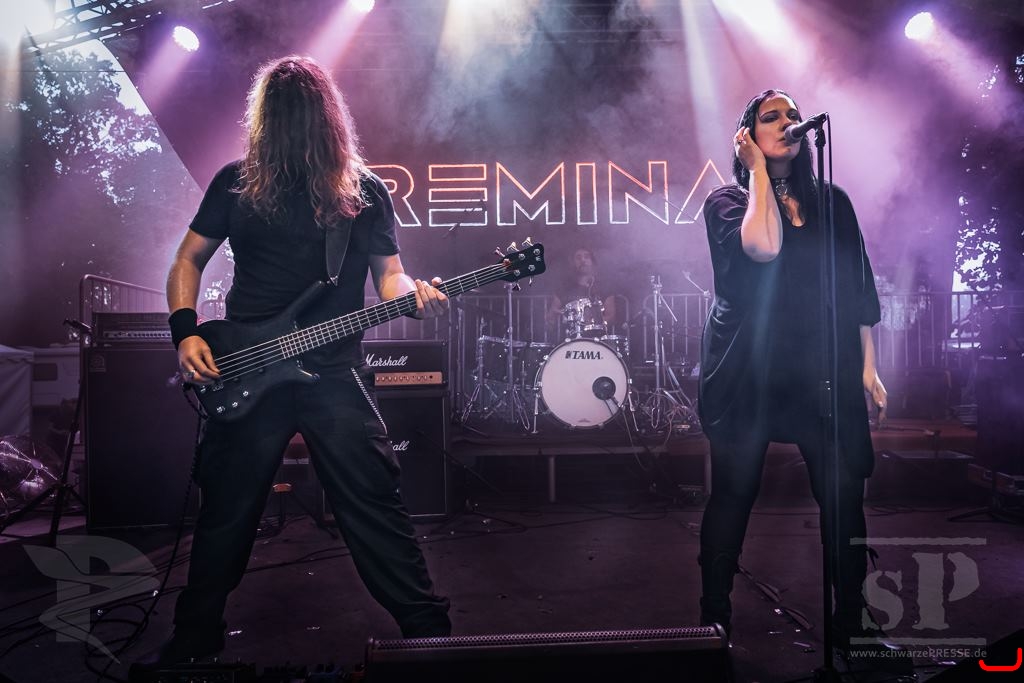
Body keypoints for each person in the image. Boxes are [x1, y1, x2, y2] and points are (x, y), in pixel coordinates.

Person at [158, 55, 451, 663]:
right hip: (248, 367)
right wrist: (186, 333)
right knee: (229, 511)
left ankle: (429, 633)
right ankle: (194, 638)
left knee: (369, 501)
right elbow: (188, 259)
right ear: (330, 114)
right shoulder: (236, 183)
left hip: (333, 374)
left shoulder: (361, 191)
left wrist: (413, 298)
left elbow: (390, 277)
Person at [696, 89, 889, 652]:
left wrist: (868, 367)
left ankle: (853, 622)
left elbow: (858, 286)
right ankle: (713, 619)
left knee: (843, 492)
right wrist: (758, 173)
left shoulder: (833, 202)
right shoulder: (728, 203)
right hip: (747, 369)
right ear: (748, 135)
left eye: (792, 114)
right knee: (734, 492)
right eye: (770, 117)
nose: (787, 123)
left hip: (818, 366)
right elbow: (762, 248)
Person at [547, 247, 621, 339]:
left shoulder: (604, 287)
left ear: (592, 261)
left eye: (586, 257)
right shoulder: (564, 288)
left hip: (598, 339)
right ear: (573, 263)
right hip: (569, 339)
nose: (583, 260)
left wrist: (591, 324)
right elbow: (551, 315)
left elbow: (611, 316)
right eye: (578, 258)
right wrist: (555, 316)